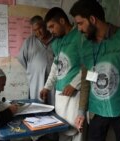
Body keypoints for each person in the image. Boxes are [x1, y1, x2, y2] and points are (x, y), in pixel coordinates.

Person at [70, 1, 120, 141]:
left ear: (92, 19)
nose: (79, 29)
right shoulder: (87, 45)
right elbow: (85, 80)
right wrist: (81, 111)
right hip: (97, 111)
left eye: (80, 23)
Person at [40, 7, 87, 141]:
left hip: (76, 95)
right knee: (62, 131)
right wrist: (47, 87)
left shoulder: (80, 37)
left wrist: (74, 84)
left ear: (62, 21)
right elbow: (56, 67)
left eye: (52, 26)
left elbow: (89, 66)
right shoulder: (57, 42)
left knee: (78, 131)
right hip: (60, 96)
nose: (50, 31)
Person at [17, 15, 55, 105]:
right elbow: (22, 59)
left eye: (40, 28)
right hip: (36, 80)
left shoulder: (56, 39)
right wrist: (34, 69)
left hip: (53, 81)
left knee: (54, 104)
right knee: (38, 106)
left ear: (45, 25)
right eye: (35, 30)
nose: (38, 32)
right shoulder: (29, 42)